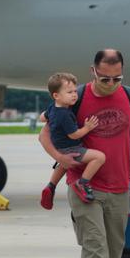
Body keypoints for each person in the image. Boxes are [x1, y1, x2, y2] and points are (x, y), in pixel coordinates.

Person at [38, 50, 130, 258]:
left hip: (120, 186)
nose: (110, 84)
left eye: (117, 78)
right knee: (95, 249)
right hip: (82, 185)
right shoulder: (73, 98)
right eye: (105, 78)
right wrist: (60, 162)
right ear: (93, 71)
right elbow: (44, 133)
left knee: (113, 254)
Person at [39, 72, 106, 209]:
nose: (75, 94)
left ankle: (51, 186)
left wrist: (49, 118)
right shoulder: (64, 114)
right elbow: (74, 135)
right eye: (69, 92)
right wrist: (88, 127)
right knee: (99, 157)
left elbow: (42, 117)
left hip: (60, 148)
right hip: (72, 148)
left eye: (75, 91)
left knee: (64, 164)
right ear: (56, 96)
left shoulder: (52, 108)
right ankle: (82, 183)